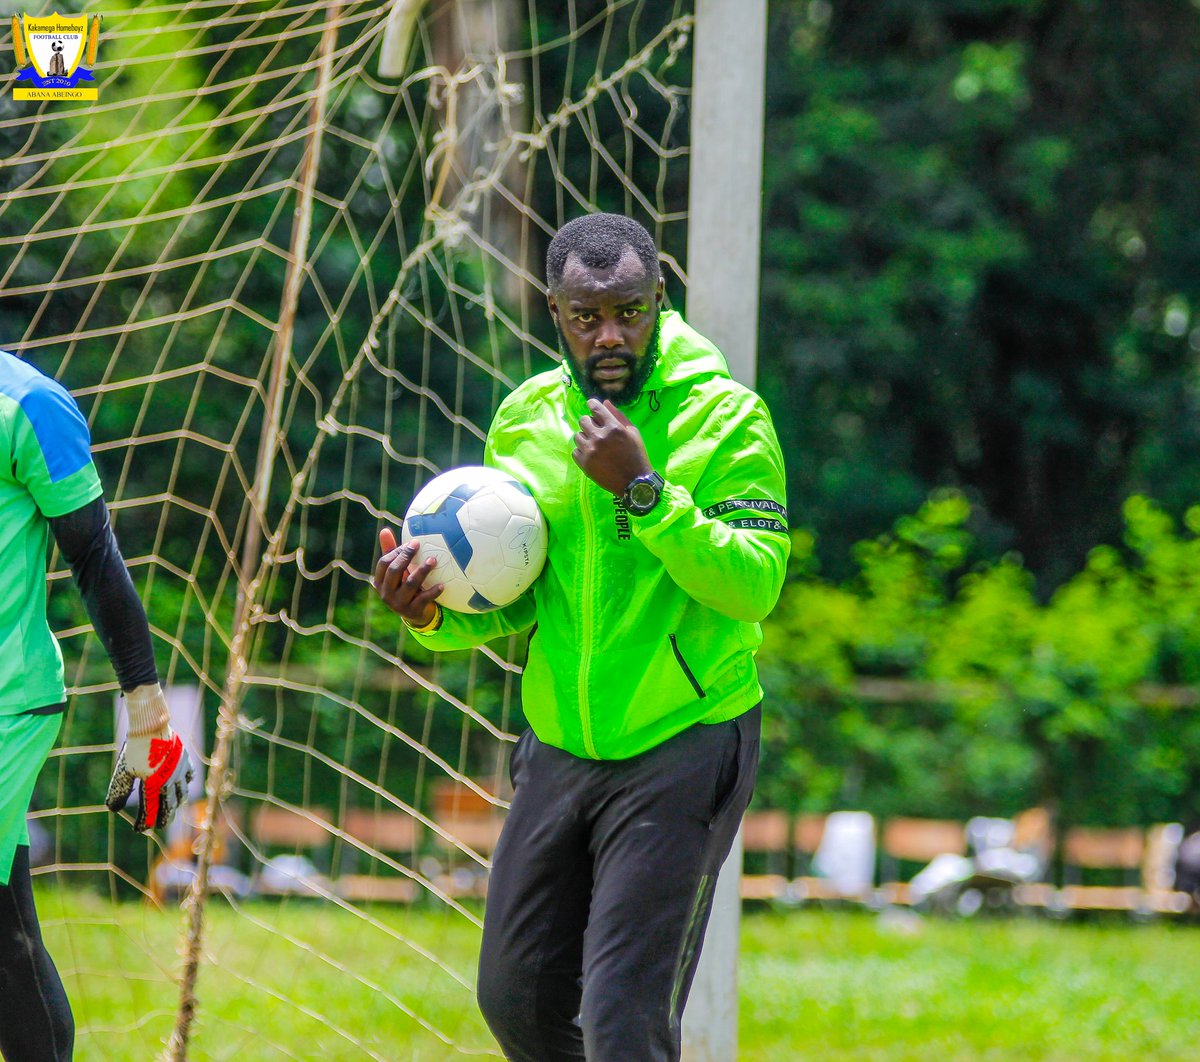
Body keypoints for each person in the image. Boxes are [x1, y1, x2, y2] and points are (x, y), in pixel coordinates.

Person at [374, 212, 789, 1061]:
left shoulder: (730, 419)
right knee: (516, 999)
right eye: (586, 315)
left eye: (630, 311)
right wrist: (433, 615)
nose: (611, 334)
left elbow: (756, 583)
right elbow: (521, 601)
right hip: (559, 744)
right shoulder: (526, 420)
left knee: (623, 1021)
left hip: (683, 737)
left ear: (660, 302)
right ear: (553, 311)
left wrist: (647, 491)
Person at [0, 349, 193, 1062]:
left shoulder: (30, 405)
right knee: (8, 937)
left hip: (6, 707)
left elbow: (93, 554)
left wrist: (146, 702)